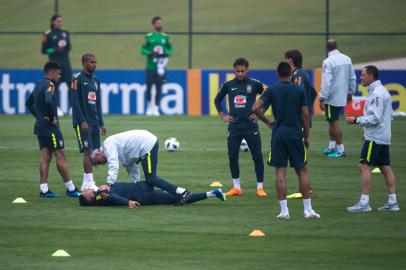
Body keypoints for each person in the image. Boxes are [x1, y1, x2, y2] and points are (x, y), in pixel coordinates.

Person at [252, 61, 320, 219]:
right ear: (291, 73)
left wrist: (266, 120)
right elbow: (305, 114)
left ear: (277, 74)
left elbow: (255, 107)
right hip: (295, 133)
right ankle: (307, 210)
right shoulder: (299, 90)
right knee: (301, 171)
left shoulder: (272, 90)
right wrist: (307, 136)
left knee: (280, 172)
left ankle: (284, 211)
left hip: (279, 134)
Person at [346, 66, 399, 213]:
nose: (360, 77)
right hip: (383, 135)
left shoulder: (376, 94)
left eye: (363, 75)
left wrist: (357, 120)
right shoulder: (381, 91)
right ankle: (392, 201)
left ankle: (364, 202)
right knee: (384, 167)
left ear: (371, 76)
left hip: (375, 137)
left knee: (363, 166)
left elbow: (375, 118)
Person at [89, 130, 193, 205]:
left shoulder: (108, 145)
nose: (102, 164)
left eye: (99, 162)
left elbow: (113, 164)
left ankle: (182, 192)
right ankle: (177, 192)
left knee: (151, 178)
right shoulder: (114, 150)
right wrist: (137, 185)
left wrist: (109, 184)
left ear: (98, 154)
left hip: (147, 144)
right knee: (150, 179)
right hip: (147, 143)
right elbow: (131, 166)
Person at [25, 62, 80, 198]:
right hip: (50, 128)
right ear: (51, 73)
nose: (60, 76)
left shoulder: (39, 84)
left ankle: (44, 190)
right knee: (61, 156)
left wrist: (40, 117)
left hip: (40, 126)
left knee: (45, 157)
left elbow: (28, 103)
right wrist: (51, 118)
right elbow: (49, 101)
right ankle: (71, 189)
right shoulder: (50, 85)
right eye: (59, 74)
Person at [214, 57, 267, 198]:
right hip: (234, 127)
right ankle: (236, 187)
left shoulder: (255, 84)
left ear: (247, 70)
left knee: (257, 156)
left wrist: (261, 114)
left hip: (251, 126)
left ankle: (260, 187)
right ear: (234, 70)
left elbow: (268, 96)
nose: (240, 74)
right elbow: (217, 100)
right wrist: (223, 115)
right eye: (237, 71)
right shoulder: (228, 85)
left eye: (242, 71)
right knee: (232, 156)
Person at [70, 53, 107, 191]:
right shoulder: (76, 79)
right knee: (87, 151)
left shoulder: (96, 81)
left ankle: (88, 182)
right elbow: (75, 102)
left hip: (94, 122)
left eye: (96, 62)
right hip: (83, 123)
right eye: (92, 62)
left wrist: (101, 123)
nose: (95, 64)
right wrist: (82, 121)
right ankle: (88, 182)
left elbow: (98, 104)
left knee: (94, 152)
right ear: (85, 63)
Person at [319, 39, 356, 158]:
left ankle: (341, 150)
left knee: (333, 122)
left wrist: (322, 98)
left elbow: (326, 81)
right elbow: (352, 77)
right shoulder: (347, 59)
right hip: (342, 96)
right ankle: (332, 146)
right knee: (331, 121)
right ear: (337, 46)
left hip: (332, 97)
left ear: (326, 48)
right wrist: (351, 92)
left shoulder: (328, 61)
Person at [79, 182, 226, 207]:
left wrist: (108, 186)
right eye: (85, 193)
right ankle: (213, 193)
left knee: (177, 196)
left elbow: (110, 193)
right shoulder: (99, 196)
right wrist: (128, 202)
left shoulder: (99, 193)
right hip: (143, 194)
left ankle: (214, 193)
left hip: (141, 190)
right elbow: (112, 196)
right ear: (89, 199)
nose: (86, 190)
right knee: (178, 197)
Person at [140, 16, 173, 116]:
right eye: (157, 23)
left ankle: (156, 108)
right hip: (150, 67)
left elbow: (171, 50)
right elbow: (142, 49)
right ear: (153, 25)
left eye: (160, 23)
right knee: (149, 87)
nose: (159, 24)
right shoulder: (148, 36)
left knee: (159, 88)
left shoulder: (165, 37)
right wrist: (150, 53)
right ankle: (149, 107)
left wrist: (166, 53)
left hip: (161, 68)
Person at [41, 14, 72, 90]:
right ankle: (53, 102)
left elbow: (69, 47)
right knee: (54, 88)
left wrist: (65, 48)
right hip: (55, 66)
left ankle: (74, 102)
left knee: (71, 88)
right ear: (53, 22)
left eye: (60, 21)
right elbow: (44, 50)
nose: (60, 23)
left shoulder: (65, 32)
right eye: (58, 21)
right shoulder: (47, 34)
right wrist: (55, 50)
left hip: (66, 65)